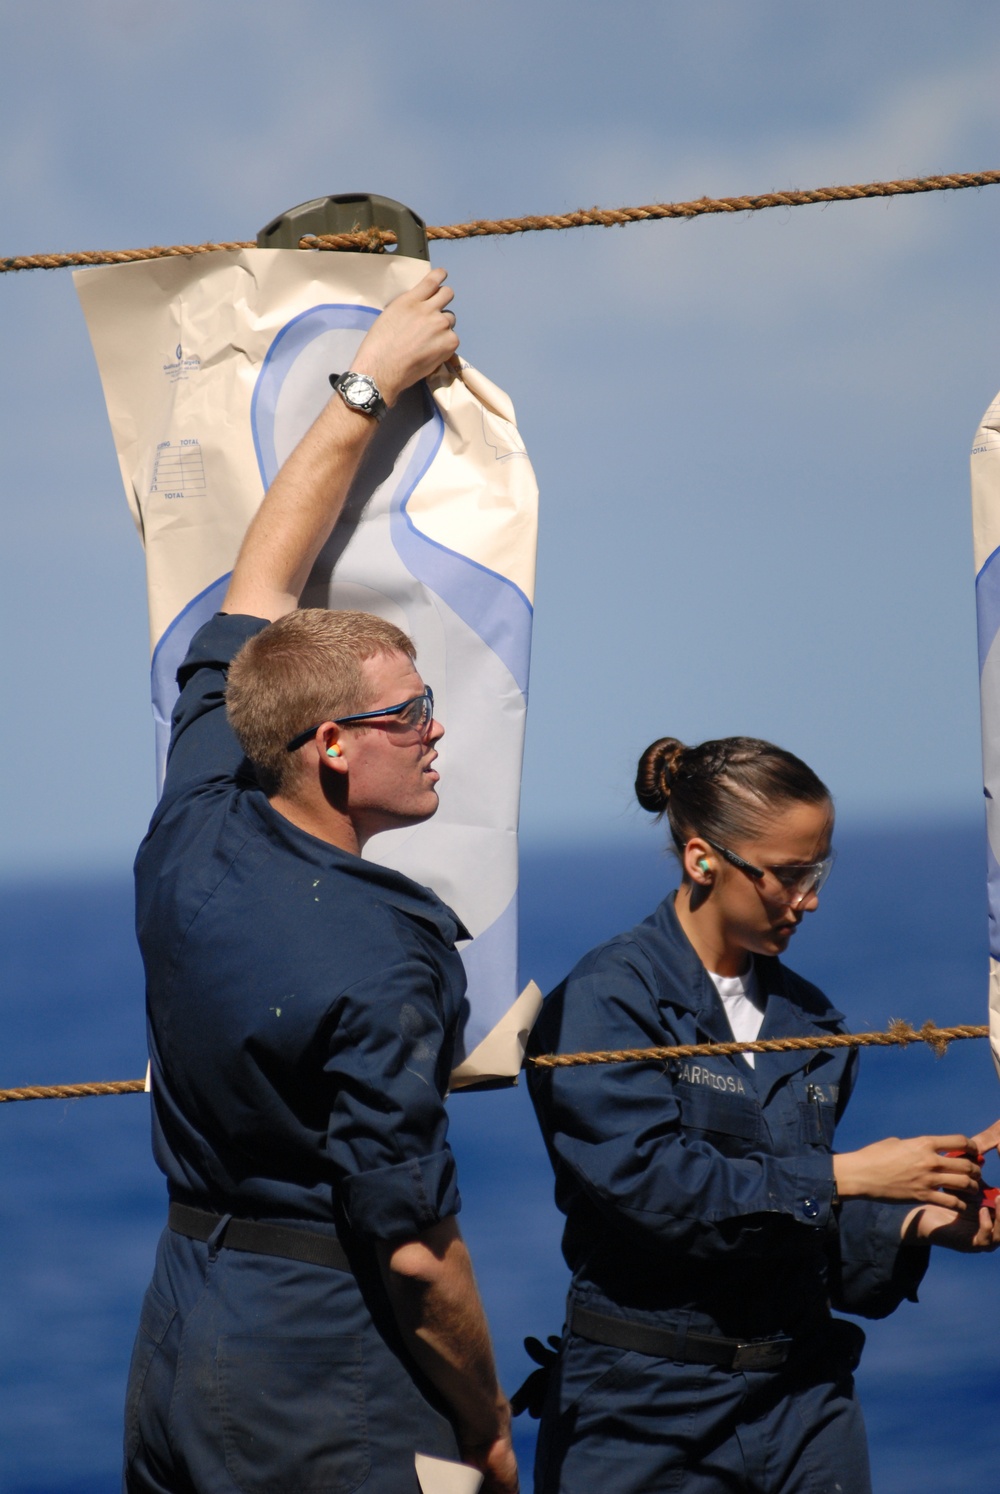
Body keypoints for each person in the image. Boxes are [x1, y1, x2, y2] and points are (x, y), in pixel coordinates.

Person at [123, 267, 518, 1494]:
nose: (437, 731)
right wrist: (489, 1424)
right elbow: (411, 1250)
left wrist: (369, 383)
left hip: (182, 1320)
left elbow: (259, 585)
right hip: (317, 1350)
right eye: (411, 714)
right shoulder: (382, 950)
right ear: (332, 747)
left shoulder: (193, 819)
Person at [525, 734, 1000, 1494]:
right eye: (788, 875)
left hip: (805, 1401)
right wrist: (846, 1175)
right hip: (644, 1410)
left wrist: (919, 1220)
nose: (809, 898)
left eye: (819, 870)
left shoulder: (814, 1023)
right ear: (703, 859)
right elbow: (653, 1192)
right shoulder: (609, 1001)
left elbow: (793, 1228)